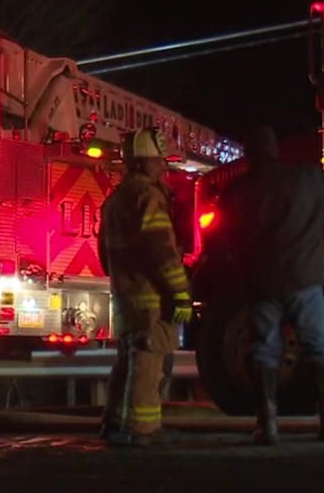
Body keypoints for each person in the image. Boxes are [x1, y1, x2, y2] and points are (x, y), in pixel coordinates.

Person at [217, 125, 324, 446]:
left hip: (262, 283)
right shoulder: (305, 177)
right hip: (305, 279)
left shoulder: (238, 190)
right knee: (320, 345)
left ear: (248, 156)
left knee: (263, 349)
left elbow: (225, 232)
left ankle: (267, 425)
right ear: (276, 149)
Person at [97, 128, 193, 448]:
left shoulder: (114, 201)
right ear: (141, 163)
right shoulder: (148, 197)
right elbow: (162, 251)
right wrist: (180, 292)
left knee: (126, 361)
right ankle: (143, 429)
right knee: (149, 362)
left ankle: (113, 423)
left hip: (124, 297)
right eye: (156, 161)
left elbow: (104, 257)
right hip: (151, 298)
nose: (162, 167)